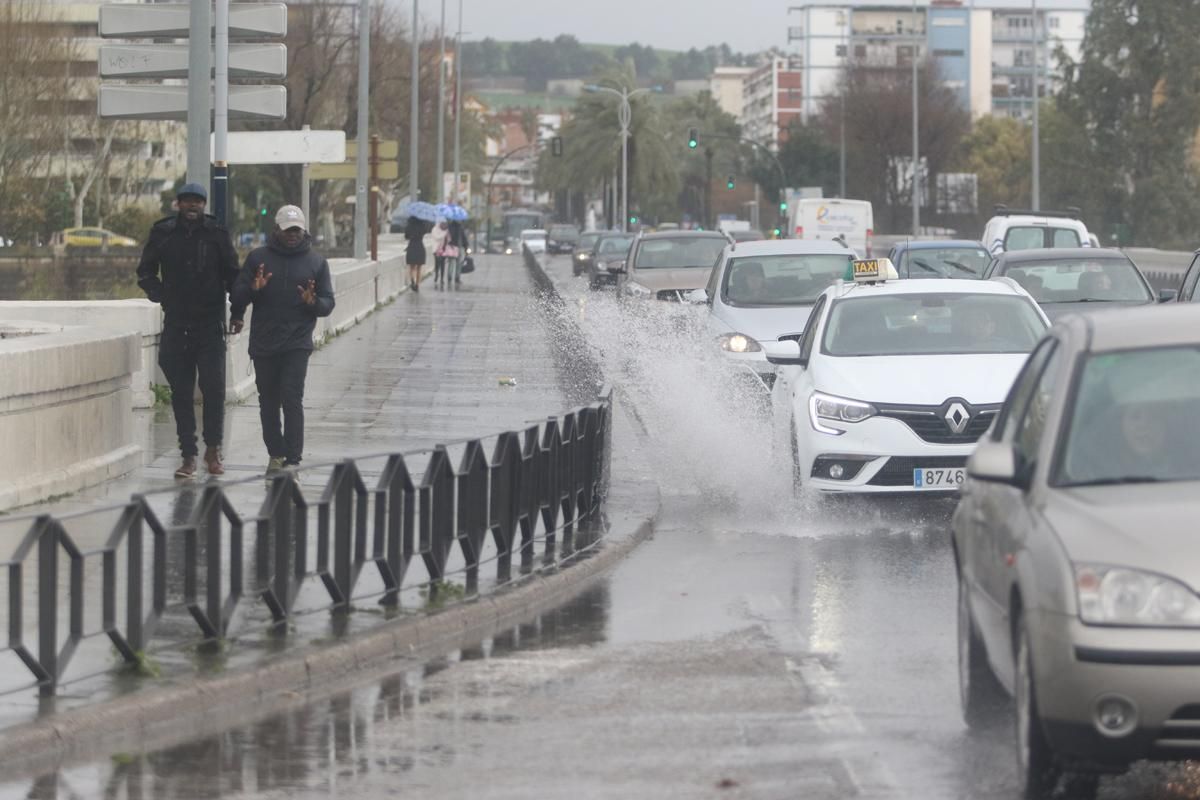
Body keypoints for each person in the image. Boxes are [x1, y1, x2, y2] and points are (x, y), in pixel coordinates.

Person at [136, 182, 239, 479]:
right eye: (187, 201)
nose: (192, 206)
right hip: (177, 324)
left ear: (204, 205)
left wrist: (240, 308)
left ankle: (213, 449)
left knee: (214, 390)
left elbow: (233, 275)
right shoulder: (164, 233)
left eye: (198, 201)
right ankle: (188, 454)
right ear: (178, 204)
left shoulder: (217, 234)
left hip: (210, 325)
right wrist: (161, 295)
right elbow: (145, 271)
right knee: (181, 392)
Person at [230, 205, 335, 472]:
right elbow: (237, 295)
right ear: (276, 230)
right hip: (264, 342)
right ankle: (275, 452)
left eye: (297, 230)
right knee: (268, 401)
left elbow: (327, 303)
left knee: (291, 397)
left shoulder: (317, 263)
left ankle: (293, 458)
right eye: (287, 230)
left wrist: (313, 303)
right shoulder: (257, 259)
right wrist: (253, 289)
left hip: (297, 343)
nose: (292, 235)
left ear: (304, 231)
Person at [404, 215, 428, 292]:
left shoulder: (409, 225)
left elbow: (406, 236)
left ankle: (412, 280)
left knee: (412, 267)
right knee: (419, 268)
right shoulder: (422, 225)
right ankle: (417, 284)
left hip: (411, 246)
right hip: (420, 246)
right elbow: (425, 231)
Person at [445, 218, 469, 286]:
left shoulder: (449, 227)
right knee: (458, 264)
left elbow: (447, 237)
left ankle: (449, 278)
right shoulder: (460, 227)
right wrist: (466, 246)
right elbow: (464, 238)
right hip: (458, 247)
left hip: (451, 247)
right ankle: (457, 278)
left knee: (451, 263)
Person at [430, 219, 450, 287]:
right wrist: (444, 234)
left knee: (443, 264)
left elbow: (449, 239)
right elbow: (437, 237)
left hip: (443, 249)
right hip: (436, 249)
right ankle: (436, 275)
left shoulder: (445, 230)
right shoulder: (434, 229)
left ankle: (442, 278)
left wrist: (448, 235)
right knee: (437, 263)